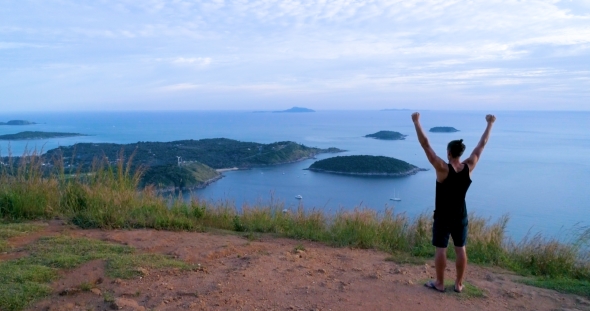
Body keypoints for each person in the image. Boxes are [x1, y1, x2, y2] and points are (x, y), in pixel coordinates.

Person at [411, 112, 496, 293]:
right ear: (461, 153)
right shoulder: (469, 166)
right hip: (460, 214)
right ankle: (458, 284)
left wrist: (416, 122)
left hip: (443, 215)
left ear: (449, 153)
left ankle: (440, 283)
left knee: (441, 248)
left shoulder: (442, 169)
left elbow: (425, 145)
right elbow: (482, 144)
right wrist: (490, 123)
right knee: (460, 248)